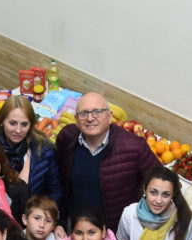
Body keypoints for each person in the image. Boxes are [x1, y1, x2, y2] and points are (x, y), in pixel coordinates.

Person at [55, 92, 160, 228]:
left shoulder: (134, 147)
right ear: (76, 119)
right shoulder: (67, 138)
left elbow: (162, 182)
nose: (90, 118)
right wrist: (60, 222)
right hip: (76, 228)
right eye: (83, 113)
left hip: (115, 233)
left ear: (110, 117)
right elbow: (59, 182)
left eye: (97, 112)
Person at [117, 166, 192, 240]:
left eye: (165, 194)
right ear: (145, 189)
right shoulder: (130, 214)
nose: (158, 200)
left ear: (173, 194)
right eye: (153, 192)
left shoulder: (186, 221)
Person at [0, 94, 61, 202]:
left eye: (24, 124)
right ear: (2, 121)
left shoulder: (45, 150)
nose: (18, 130)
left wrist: (42, 215)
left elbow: (55, 191)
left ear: (31, 124)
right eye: (12, 123)